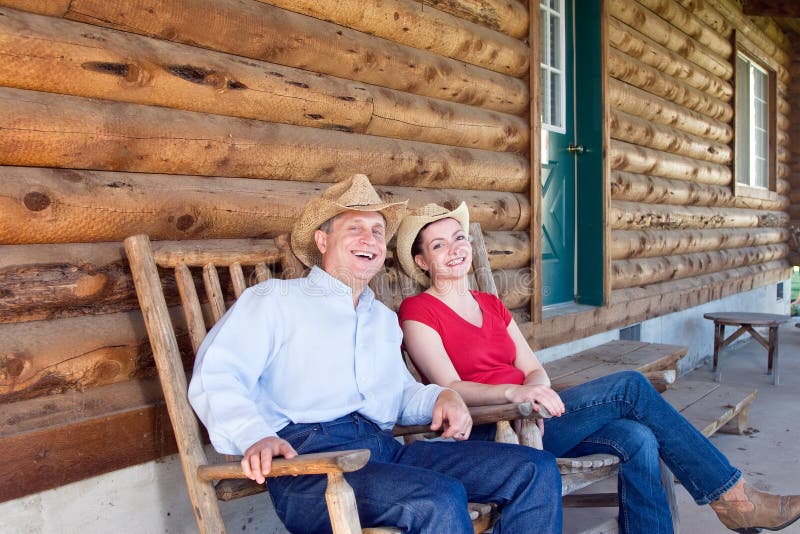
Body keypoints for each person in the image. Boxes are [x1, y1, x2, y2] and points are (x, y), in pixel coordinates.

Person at [395, 202, 800, 534]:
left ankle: (718, 506)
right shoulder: (419, 311)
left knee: (638, 436)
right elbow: (449, 386)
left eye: (459, 237)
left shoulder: (491, 304)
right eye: (438, 245)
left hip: (536, 417)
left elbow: (534, 369)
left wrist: (533, 392)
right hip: (491, 428)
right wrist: (514, 395)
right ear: (422, 260)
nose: (454, 249)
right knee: (630, 387)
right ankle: (734, 498)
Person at [187, 176, 562, 533]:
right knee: (439, 498)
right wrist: (254, 435)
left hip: (382, 450)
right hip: (308, 465)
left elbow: (397, 393)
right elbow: (218, 375)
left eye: (378, 231)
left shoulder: (381, 319)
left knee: (535, 468)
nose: (370, 239)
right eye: (355, 228)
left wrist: (441, 396)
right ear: (322, 240)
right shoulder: (274, 301)